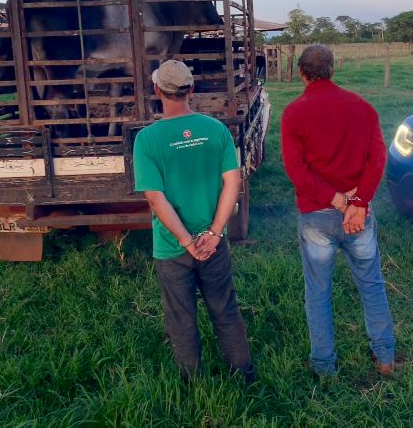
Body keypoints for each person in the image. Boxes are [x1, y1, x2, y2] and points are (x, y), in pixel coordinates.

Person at [133, 60, 254, 382]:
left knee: (181, 318)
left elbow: (155, 198)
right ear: (192, 90)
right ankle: (243, 375)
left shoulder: (147, 139)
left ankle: (192, 382)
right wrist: (214, 234)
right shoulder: (216, 130)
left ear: (157, 90)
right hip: (214, 244)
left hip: (172, 247)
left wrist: (186, 241)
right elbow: (233, 182)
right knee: (225, 309)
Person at [280, 44, 396, 376]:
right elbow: (377, 161)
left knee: (317, 291)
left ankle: (324, 366)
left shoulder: (294, 113)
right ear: (332, 70)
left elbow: (296, 171)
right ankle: (385, 357)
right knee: (371, 283)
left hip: (316, 216)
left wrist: (335, 200)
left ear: (301, 72)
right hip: (358, 216)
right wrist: (357, 204)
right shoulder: (364, 108)